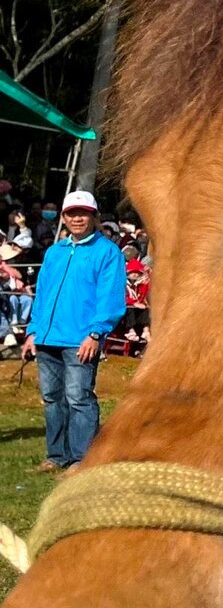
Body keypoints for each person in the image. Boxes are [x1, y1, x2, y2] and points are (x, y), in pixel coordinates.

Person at [24, 189, 128, 473]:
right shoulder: (55, 252)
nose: (77, 218)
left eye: (83, 213)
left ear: (93, 217)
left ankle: (82, 460)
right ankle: (56, 455)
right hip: (47, 337)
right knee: (52, 398)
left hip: (80, 339)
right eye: (72, 213)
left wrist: (96, 333)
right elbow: (43, 294)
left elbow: (110, 297)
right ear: (64, 217)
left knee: (79, 398)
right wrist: (33, 331)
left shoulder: (107, 252)